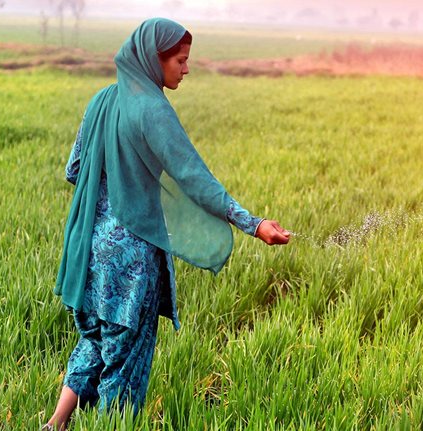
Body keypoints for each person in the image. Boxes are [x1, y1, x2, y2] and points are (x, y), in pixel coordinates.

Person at [44, 18, 290, 430]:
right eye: (180, 60)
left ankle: (54, 424)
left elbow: (75, 169)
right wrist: (254, 224)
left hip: (89, 251)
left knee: (94, 343)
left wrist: (116, 180)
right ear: (153, 59)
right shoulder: (153, 110)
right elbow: (196, 180)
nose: (186, 69)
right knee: (123, 372)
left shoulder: (102, 100)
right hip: (131, 263)